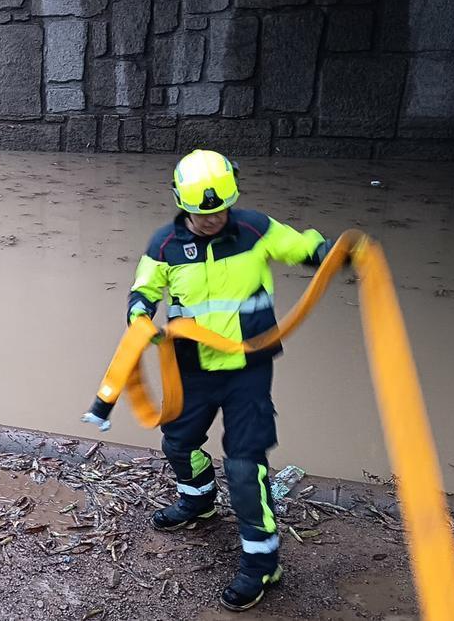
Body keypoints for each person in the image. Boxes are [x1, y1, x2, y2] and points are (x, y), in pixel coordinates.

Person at [127, 149, 335, 612]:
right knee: (178, 444)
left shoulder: (256, 229)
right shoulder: (164, 245)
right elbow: (144, 288)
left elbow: (302, 248)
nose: (211, 220)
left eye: (219, 210)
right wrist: (139, 314)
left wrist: (330, 253)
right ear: (182, 204)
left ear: (231, 201)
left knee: (244, 467)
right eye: (201, 214)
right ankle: (197, 500)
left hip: (249, 370)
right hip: (193, 368)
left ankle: (262, 564)